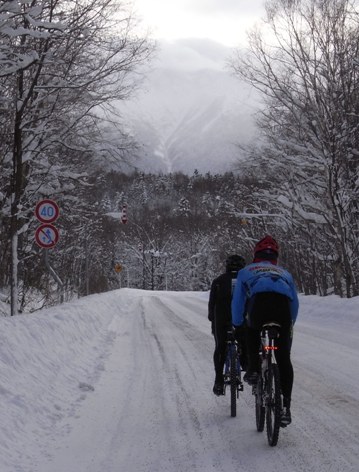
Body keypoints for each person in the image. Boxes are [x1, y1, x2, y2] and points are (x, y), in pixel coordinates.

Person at [231, 235, 299, 427]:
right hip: (282, 311)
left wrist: (238, 325)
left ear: (256, 255)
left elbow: (238, 302)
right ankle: (286, 407)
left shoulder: (246, 271)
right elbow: (294, 303)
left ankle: (253, 369)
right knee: (284, 358)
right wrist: (289, 327)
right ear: (275, 257)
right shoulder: (285, 273)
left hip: (259, 307)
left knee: (251, 330)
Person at [208, 254, 247, 396]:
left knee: (220, 347)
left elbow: (211, 305)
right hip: (242, 320)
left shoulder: (218, 281)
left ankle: (218, 381)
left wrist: (212, 319)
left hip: (222, 320)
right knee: (245, 343)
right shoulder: (246, 281)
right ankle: (246, 365)